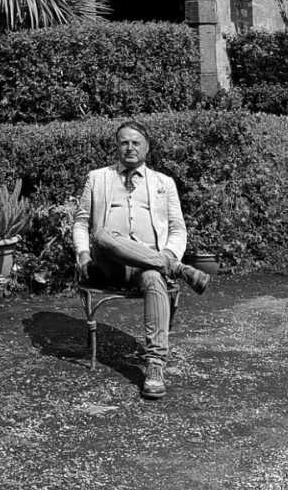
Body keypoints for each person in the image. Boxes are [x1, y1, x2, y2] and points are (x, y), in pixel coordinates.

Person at [72, 120, 211, 400]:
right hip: (109, 264)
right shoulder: (97, 178)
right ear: (117, 147)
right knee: (102, 235)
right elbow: (81, 222)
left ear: (146, 147)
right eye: (124, 142)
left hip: (147, 264)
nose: (130, 147)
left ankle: (155, 366)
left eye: (136, 142)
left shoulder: (164, 183)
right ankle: (178, 269)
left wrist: (168, 254)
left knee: (154, 278)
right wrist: (83, 253)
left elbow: (178, 229)